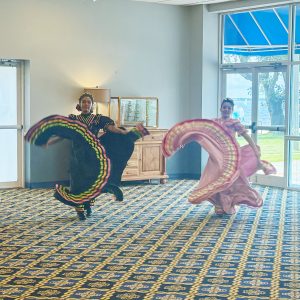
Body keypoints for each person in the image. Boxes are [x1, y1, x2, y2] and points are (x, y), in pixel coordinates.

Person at [46, 92, 149, 220]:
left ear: (92, 105)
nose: (86, 104)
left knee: (93, 182)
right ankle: (79, 210)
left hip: (93, 155)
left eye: (88, 102)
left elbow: (111, 129)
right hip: (78, 156)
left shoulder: (97, 119)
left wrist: (123, 132)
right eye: (84, 102)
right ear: (79, 104)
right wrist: (50, 141)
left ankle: (88, 205)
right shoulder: (73, 119)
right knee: (78, 183)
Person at [210, 97, 275, 215]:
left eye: (229, 108)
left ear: (232, 110)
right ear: (220, 109)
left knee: (232, 179)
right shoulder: (214, 122)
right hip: (218, 155)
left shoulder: (234, 123)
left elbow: (247, 136)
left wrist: (255, 150)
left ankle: (230, 202)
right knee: (217, 178)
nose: (226, 109)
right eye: (224, 107)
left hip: (232, 155)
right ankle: (220, 203)